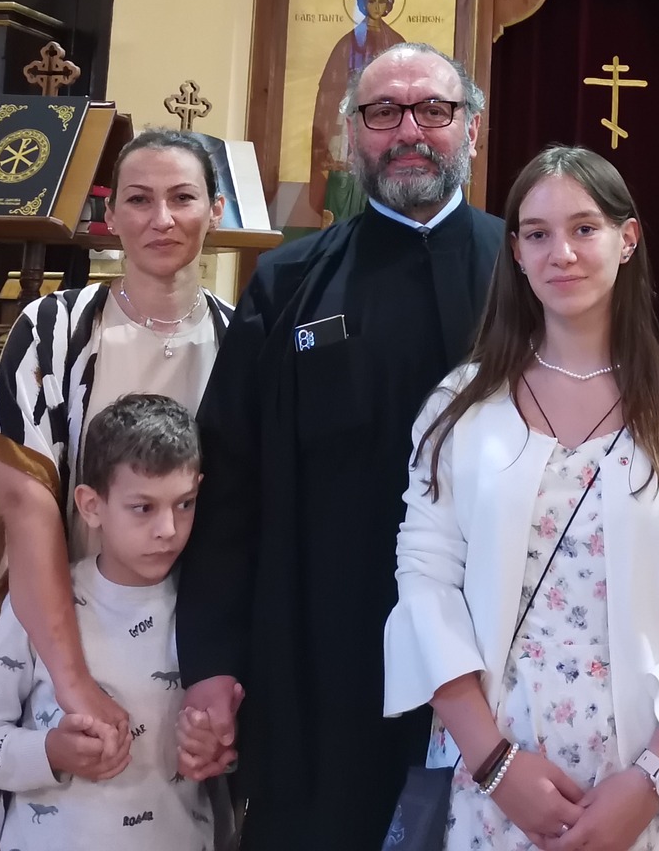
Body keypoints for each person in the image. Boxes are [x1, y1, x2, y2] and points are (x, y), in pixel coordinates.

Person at [173, 42, 505, 849]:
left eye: (434, 110)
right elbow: (231, 483)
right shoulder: (289, 284)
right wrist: (213, 662)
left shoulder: (528, 273)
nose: (409, 132)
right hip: (322, 662)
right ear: (350, 135)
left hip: (504, 655)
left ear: (471, 128)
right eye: (383, 113)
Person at [386, 147, 659, 851]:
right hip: (495, 768)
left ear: (627, 240)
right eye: (537, 234)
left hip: (650, 774)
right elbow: (424, 587)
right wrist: (496, 766)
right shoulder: (461, 408)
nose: (562, 253)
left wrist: (654, 776)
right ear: (516, 253)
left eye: (585, 228)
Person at [0, 129, 234, 850]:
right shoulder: (54, 329)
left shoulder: (239, 340)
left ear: (215, 210)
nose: (162, 219)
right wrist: (71, 678)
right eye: (139, 200)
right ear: (110, 216)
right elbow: (24, 504)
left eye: (183, 198)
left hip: (183, 628)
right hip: (48, 613)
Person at [0, 393, 225, 850]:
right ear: (91, 506)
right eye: (143, 507)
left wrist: (219, 749)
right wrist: (51, 752)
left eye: (185, 503)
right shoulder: (39, 605)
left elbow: (236, 751)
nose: (168, 529)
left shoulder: (209, 608)